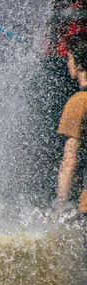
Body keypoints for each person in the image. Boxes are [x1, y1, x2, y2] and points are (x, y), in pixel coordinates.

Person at [56, 32, 87, 214]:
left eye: (70, 58)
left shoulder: (78, 103)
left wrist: (59, 209)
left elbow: (70, 162)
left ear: (79, 64)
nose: (68, 64)